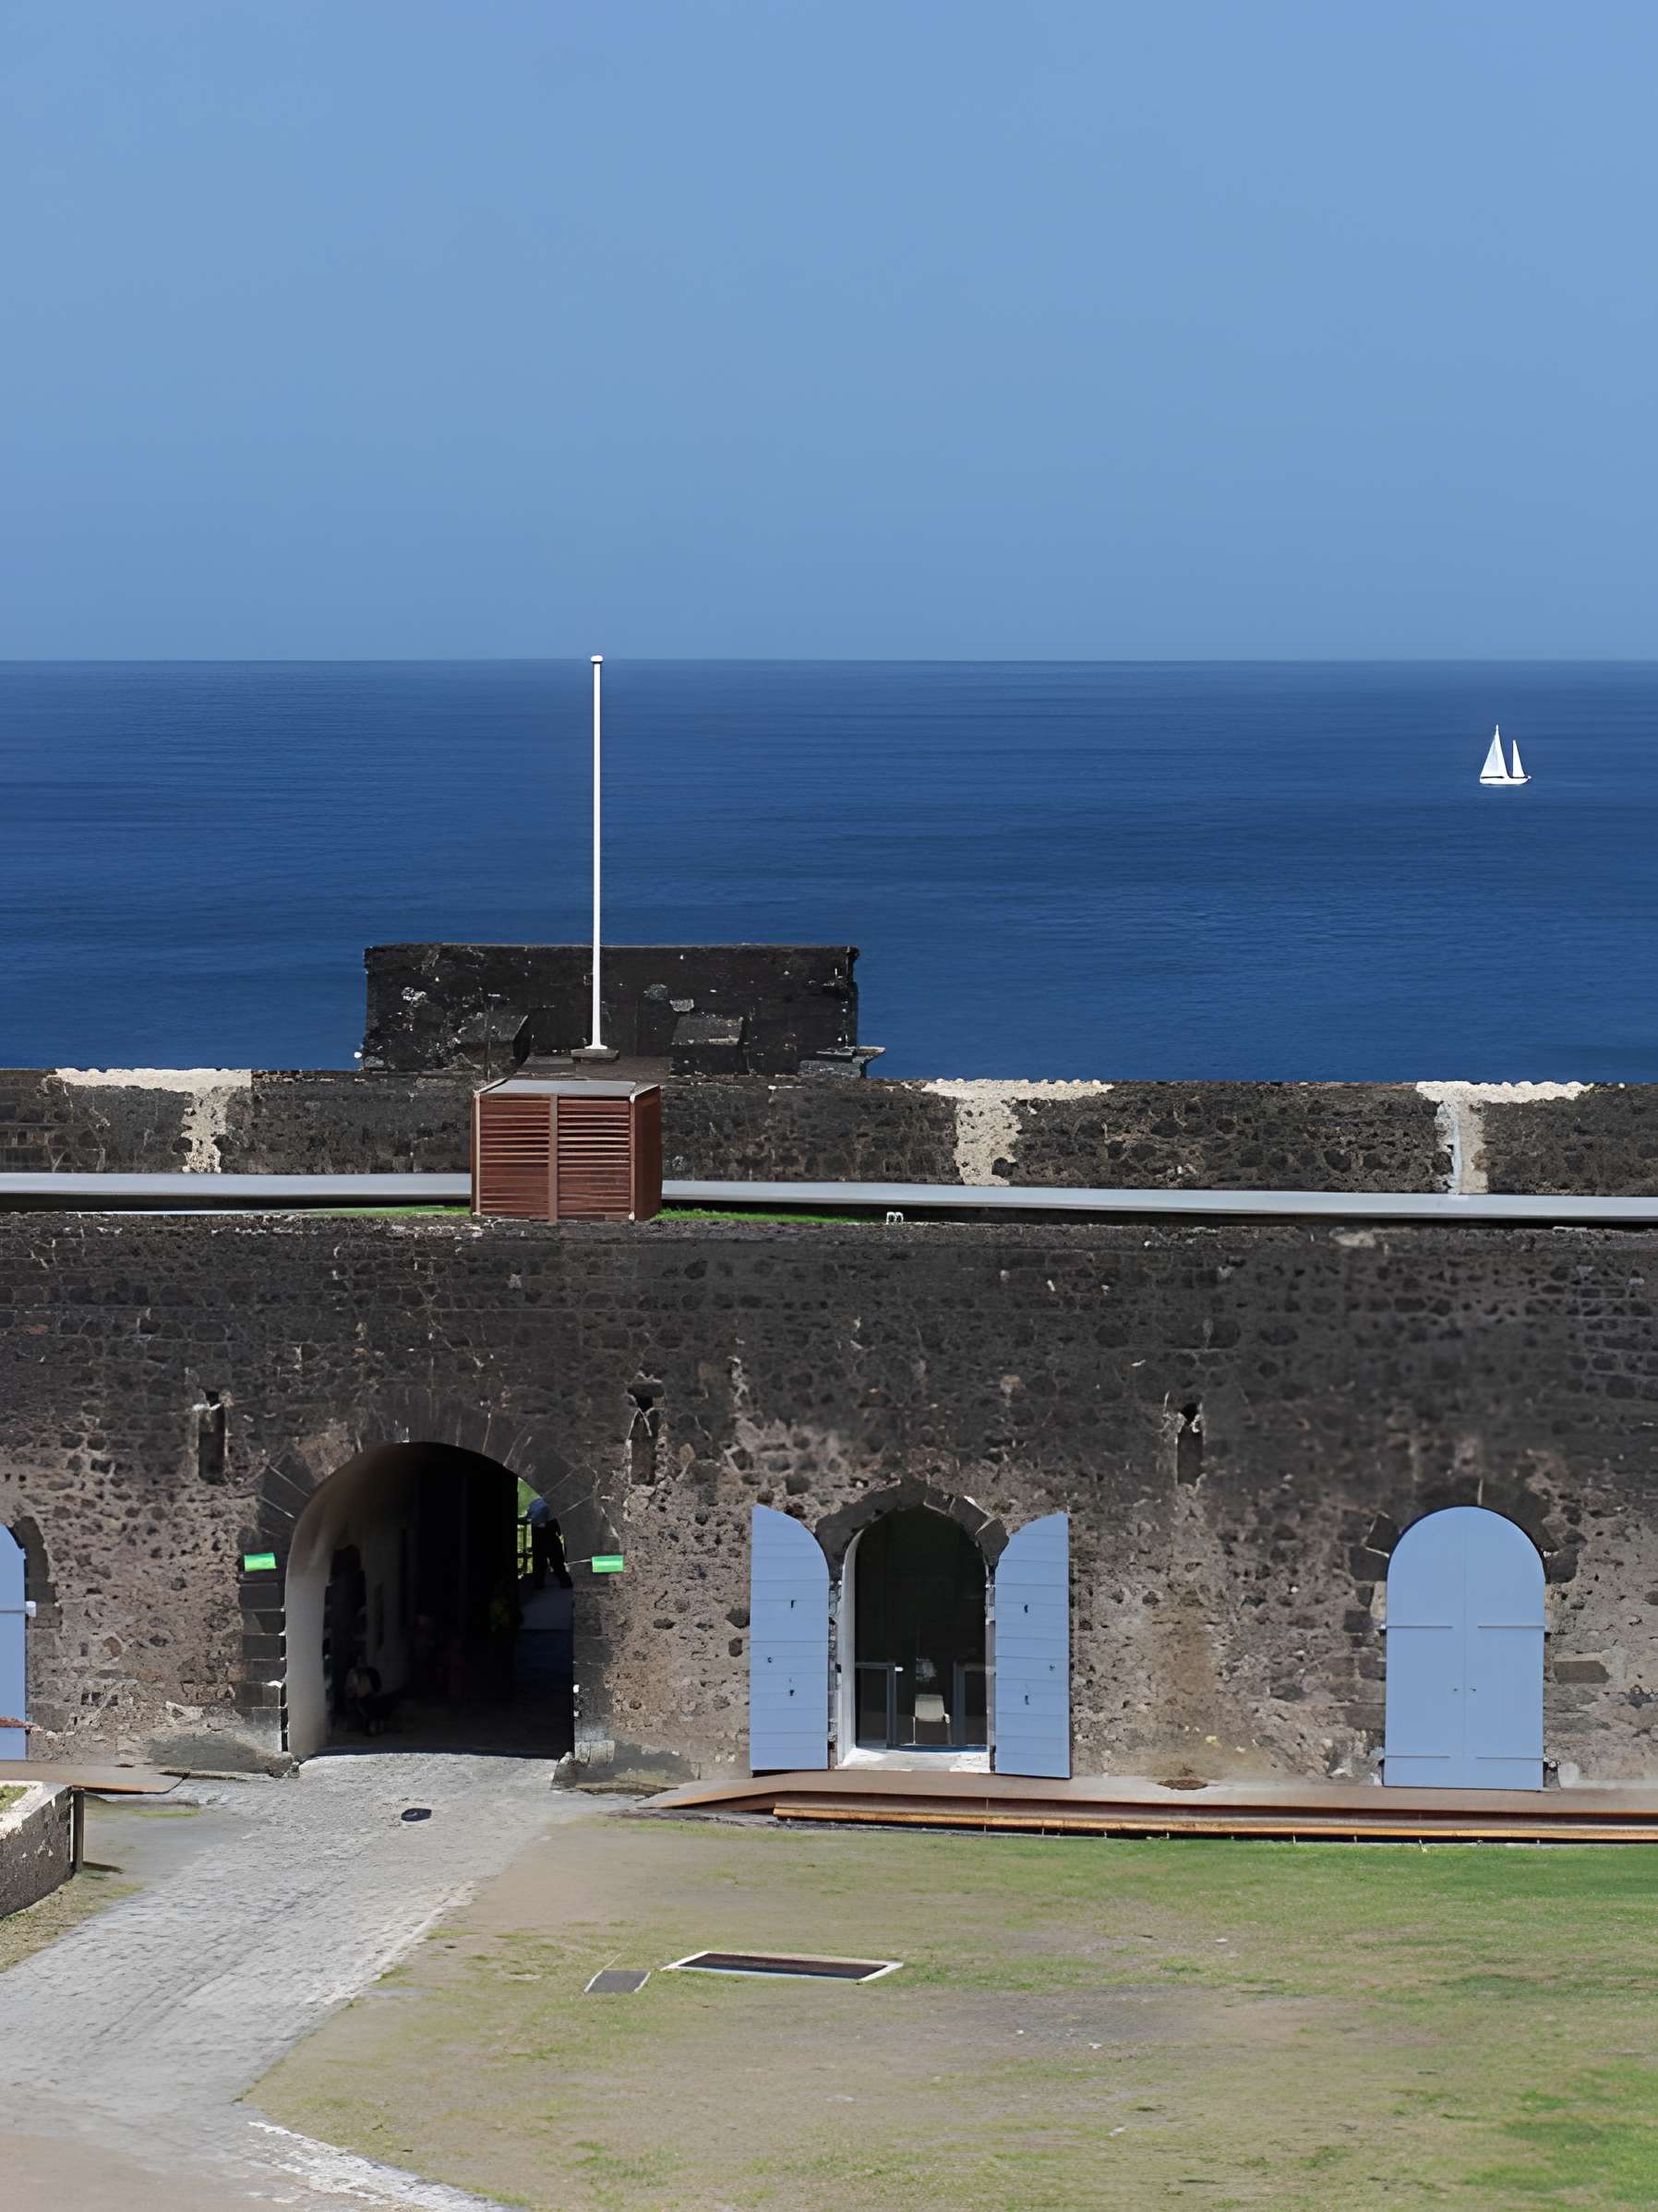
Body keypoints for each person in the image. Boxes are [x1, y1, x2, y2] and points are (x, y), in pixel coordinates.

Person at [527, 1496, 573, 1591]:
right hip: (550, 1537)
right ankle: (565, 1582)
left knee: (539, 1562)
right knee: (557, 1561)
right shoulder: (552, 1506)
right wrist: (561, 1532)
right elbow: (558, 1524)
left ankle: (538, 1585)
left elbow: (528, 1518)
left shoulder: (534, 1503)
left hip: (537, 1537)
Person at [342, 1653, 386, 1736]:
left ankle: (373, 1723)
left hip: (365, 1698)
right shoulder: (353, 1673)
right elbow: (350, 1692)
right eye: (359, 1662)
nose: (361, 1664)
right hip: (356, 1699)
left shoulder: (367, 1673)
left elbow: (372, 1688)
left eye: (362, 1662)